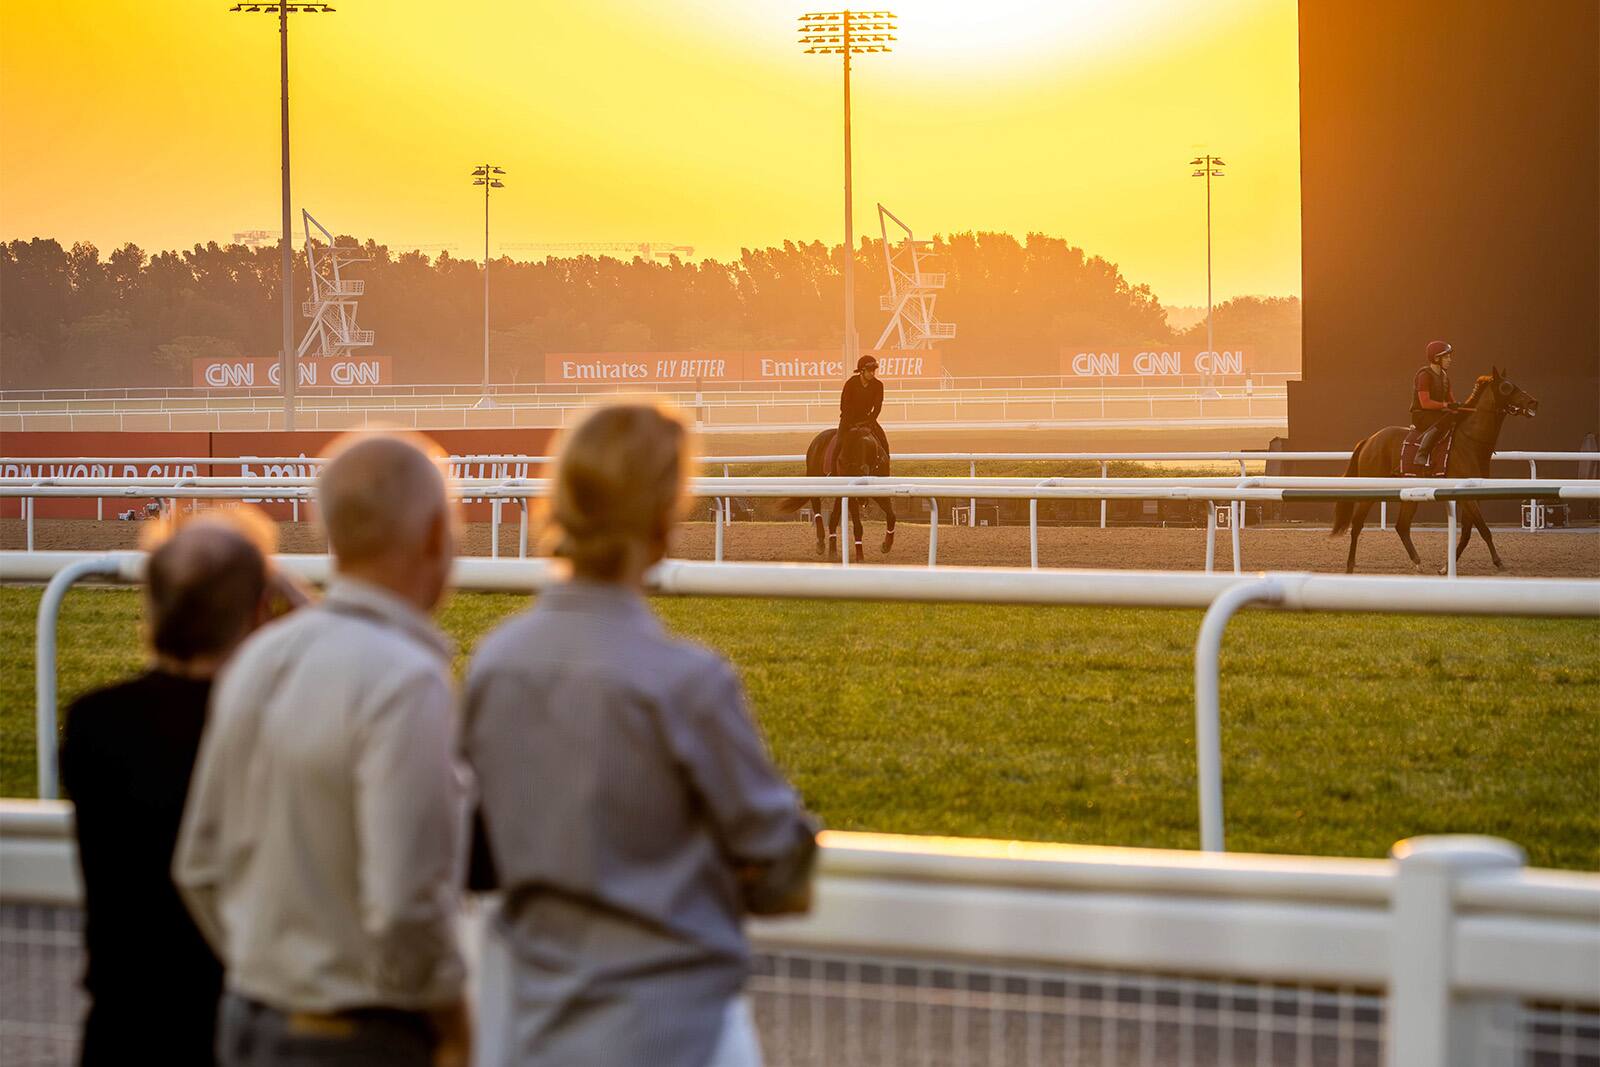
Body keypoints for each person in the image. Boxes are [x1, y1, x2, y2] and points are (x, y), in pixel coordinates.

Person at [463, 402, 818, 1067]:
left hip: (528, 1022)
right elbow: (779, 866)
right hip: (675, 1027)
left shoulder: (494, 662)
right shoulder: (690, 683)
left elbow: (478, 846)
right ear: (663, 519)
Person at [174, 432, 470, 1067]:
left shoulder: (259, 657)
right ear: (432, 535)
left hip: (247, 1015)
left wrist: (273, 973)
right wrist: (456, 1022)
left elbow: (198, 864)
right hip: (360, 1035)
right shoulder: (406, 679)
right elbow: (405, 905)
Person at [61, 511, 307, 1067]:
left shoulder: (94, 722)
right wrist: (304, 612)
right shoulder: (273, 730)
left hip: (122, 1029)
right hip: (239, 1030)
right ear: (260, 612)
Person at [1411, 340, 1464, 466]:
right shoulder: (1424, 376)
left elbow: (1451, 400)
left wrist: (1458, 407)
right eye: (1446, 357)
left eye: (1449, 357)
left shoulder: (1445, 377)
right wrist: (1446, 406)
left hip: (1437, 413)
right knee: (1442, 422)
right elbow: (1425, 403)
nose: (1450, 360)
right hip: (1421, 415)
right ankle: (1421, 454)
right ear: (1436, 358)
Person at [837, 353, 889, 462]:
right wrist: (851, 422)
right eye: (869, 371)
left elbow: (877, 407)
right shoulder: (851, 383)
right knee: (839, 442)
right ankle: (833, 466)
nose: (872, 373)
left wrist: (870, 421)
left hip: (867, 419)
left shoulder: (878, 385)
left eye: (874, 370)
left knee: (883, 440)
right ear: (861, 371)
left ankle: (886, 464)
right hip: (848, 419)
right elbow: (844, 405)